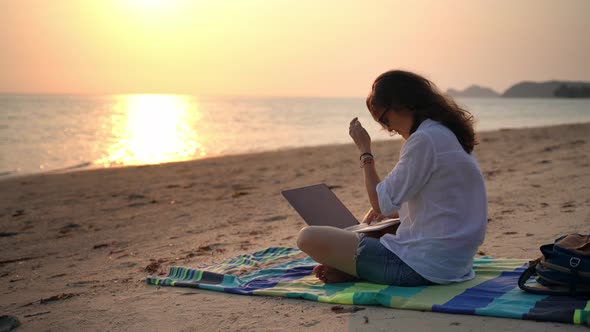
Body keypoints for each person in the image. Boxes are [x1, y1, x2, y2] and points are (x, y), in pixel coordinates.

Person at [296, 70, 487, 286]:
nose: (388, 129)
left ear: (402, 104)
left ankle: (353, 269)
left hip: (423, 267)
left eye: (385, 119)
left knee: (307, 237)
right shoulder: (447, 133)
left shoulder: (424, 140)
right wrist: (394, 215)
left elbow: (379, 204)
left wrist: (364, 151)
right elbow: (443, 202)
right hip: (455, 263)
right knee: (379, 225)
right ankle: (352, 268)